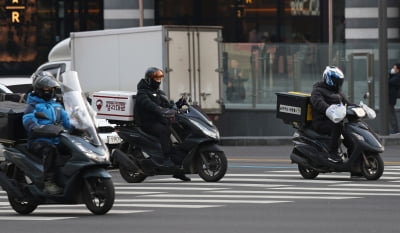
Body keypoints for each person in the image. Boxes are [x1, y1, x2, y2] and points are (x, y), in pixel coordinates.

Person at [134, 67, 190, 181]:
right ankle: (166, 158)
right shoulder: (142, 93)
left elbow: (168, 106)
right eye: (156, 77)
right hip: (147, 123)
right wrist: (159, 109)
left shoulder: (159, 93)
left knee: (177, 129)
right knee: (164, 130)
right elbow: (150, 105)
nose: (158, 80)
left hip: (159, 121)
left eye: (160, 77)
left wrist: (179, 105)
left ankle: (177, 169)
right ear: (149, 79)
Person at [22, 71, 71, 195]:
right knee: (50, 150)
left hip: (57, 138)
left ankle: (68, 178)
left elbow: (67, 121)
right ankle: (48, 182)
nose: (50, 90)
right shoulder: (33, 105)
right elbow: (27, 119)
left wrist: (81, 125)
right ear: (39, 89)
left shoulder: (57, 106)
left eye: (52, 87)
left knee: (72, 149)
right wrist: (37, 127)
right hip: (38, 140)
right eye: (46, 87)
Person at [310, 66, 351, 163]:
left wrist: (359, 108)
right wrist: (328, 108)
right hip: (321, 122)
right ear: (329, 79)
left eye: (340, 81)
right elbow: (319, 103)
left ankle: (353, 155)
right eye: (337, 80)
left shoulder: (337, 92)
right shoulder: (317, 91)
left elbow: (348, 103)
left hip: (335, 119)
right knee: (338, 126)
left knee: (349, 128)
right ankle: (332, 154)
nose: (339, 83)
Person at [388, 63, 400, 134]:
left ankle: (395, 129)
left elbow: (389, 82)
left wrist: (390, 75)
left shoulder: (397, 77)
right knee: (390, 113)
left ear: (398, 70)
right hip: (390, 97)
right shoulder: (395, 76)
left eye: (394, 68)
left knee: (391, 114)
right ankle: (394, 129)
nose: (393, 69)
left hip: (391, 98)